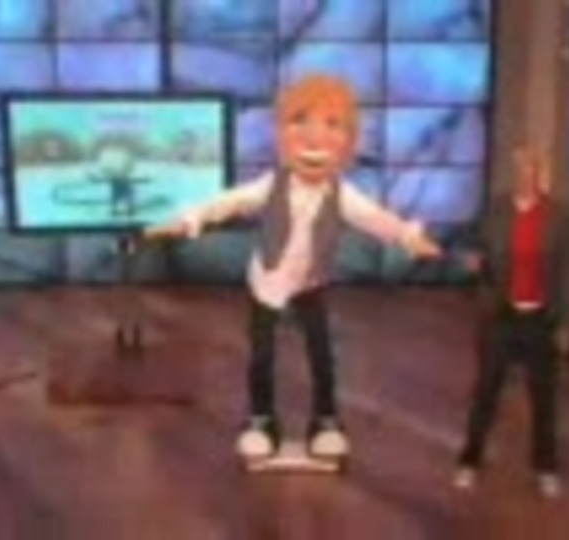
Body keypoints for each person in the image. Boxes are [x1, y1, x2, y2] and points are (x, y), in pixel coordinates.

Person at [145, 74, 442, 460]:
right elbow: (230, 202)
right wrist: (188, 220)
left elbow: (375, 218)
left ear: (349, 142)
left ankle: (325, 420)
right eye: (300, 122)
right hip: (267, 280)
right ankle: (262, 420)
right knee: (261, 356)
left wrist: (408, 237)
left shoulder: (342, 192)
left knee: (321, 353)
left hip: (310, 281)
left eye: (332, 125)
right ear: (281, 134)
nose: (314, 139)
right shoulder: (271, 185)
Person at [455, 147, 569, 497]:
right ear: (514, 172)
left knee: (544, 398)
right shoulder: (494, 211)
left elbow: (566, 273)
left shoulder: (557, 215)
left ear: (540, 174)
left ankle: (546, 468)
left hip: (541, 319)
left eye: (532, 169)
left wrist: (565, 322)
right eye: (521, 169)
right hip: (500, 317)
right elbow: (470, 246)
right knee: (486, 393)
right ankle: (469, 461)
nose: (526, 176)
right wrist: (471, 262)